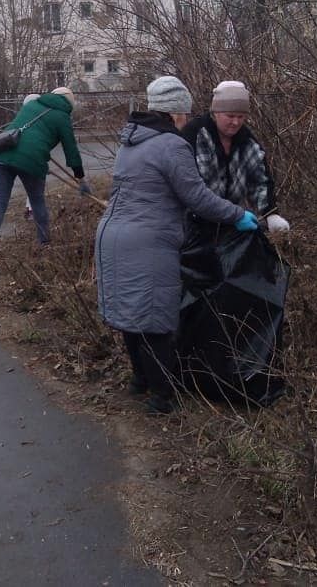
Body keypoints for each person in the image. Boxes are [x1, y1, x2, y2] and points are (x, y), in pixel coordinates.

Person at [95, 76, 259, 415]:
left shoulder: (132, 141)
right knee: (157, 321)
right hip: (147, 242)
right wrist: (238, 215)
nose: (187, 120)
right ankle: (161, 398)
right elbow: (197, 197)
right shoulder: (171, 145)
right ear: (176, 112)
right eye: (185, 113)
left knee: (132, 313)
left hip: (112, 237)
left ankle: (139, 380)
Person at [0, 87, 86, 273]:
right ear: (69, 103)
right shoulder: (62, 117)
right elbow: (71, 151)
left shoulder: (33, 104)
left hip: (2, 152)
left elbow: (18, 126)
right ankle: (44, 245)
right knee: (37, 202)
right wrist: (81, 180)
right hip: (32, 161)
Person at [180, 80, 290, 233]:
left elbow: (260, 180)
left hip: (231, 224)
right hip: (191, 225)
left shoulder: (248, 142)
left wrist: (271, 214)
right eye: (230, 116)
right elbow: (184, 183)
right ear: (215, 112)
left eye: (241, 116)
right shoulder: (193, 135)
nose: (235, 122)